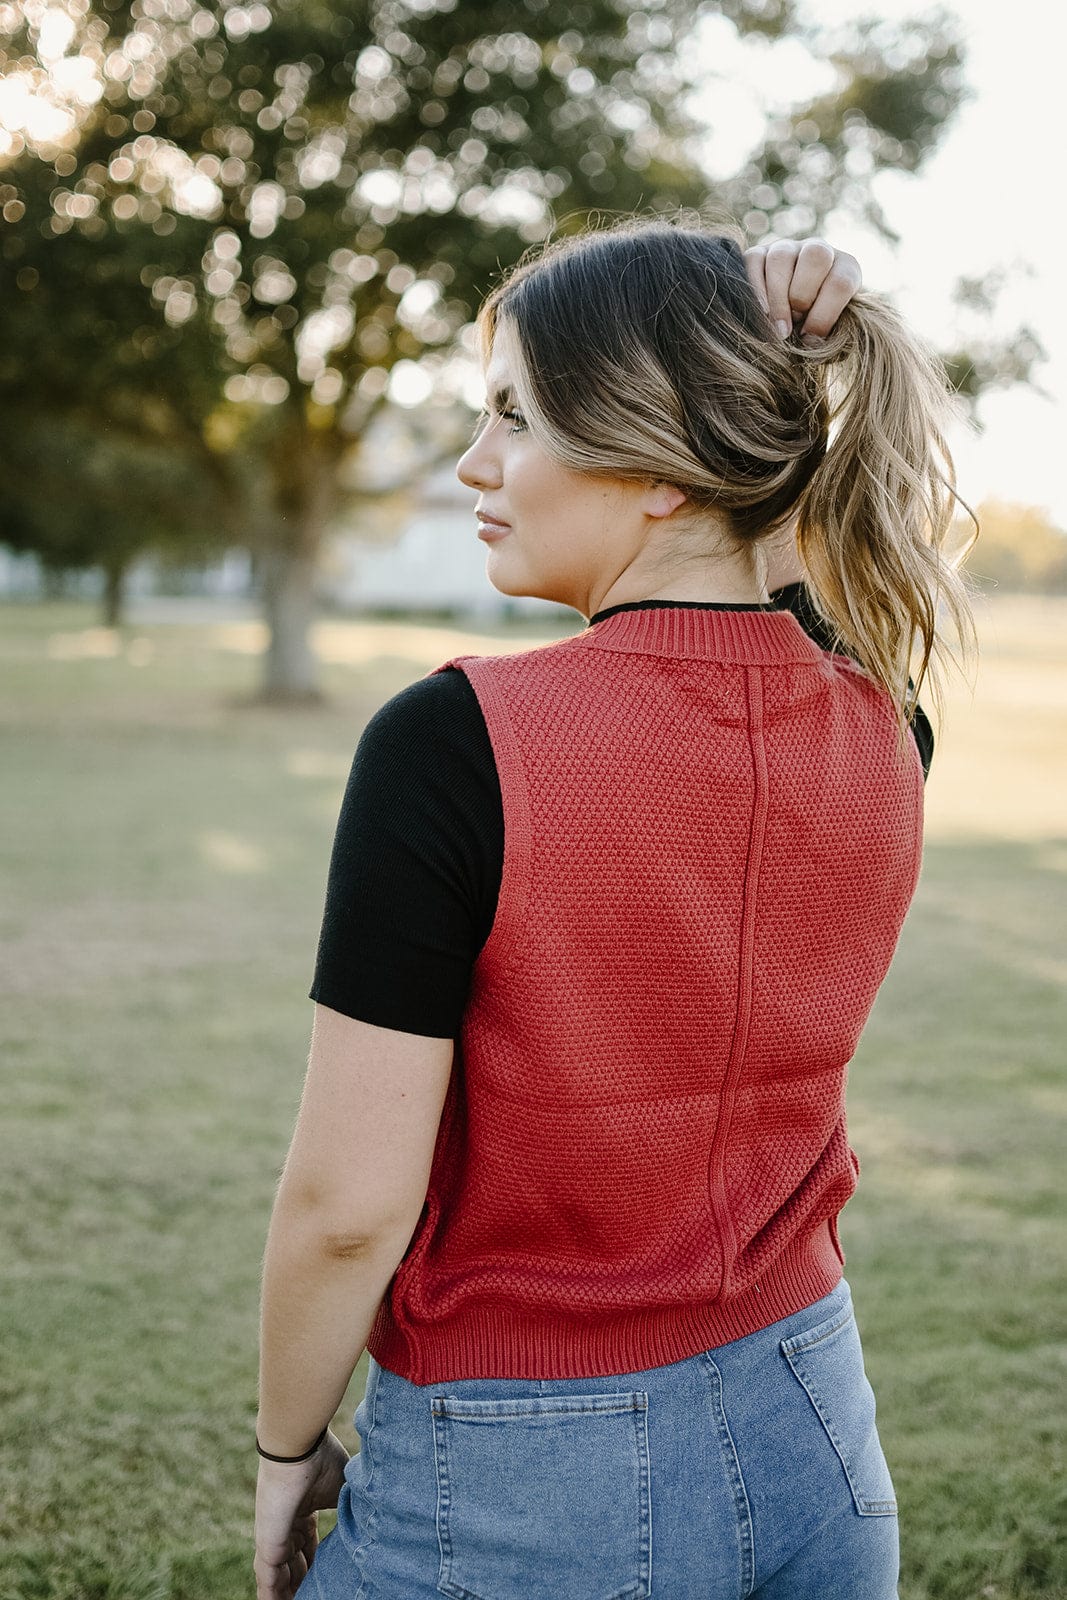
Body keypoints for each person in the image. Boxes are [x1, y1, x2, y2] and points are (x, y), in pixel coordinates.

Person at [253, 220, 978, 1600]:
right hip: (817, 1429)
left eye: (514, 416)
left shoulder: (454, 743)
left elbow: (348, 1208)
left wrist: (290, 1451)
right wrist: (788, 374)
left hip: (522, 1487)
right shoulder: (891, 729)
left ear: (652, 467)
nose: (472, 464)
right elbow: (781, 618)